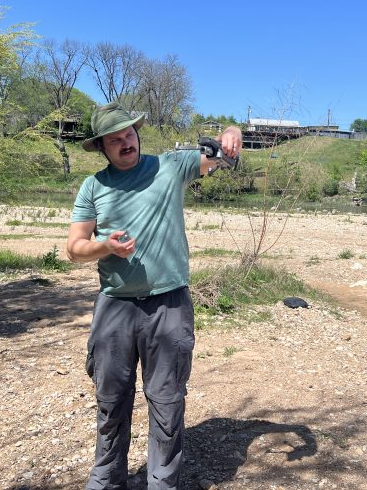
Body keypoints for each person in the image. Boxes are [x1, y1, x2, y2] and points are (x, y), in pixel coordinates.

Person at [67, 102, 241, 490]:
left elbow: (218, 154)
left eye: (129, 134)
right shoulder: (93, 186)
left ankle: (162, 482)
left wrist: (232, 134)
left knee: (166, 402)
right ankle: (107, 479)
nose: (125, 142)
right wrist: (104, 247)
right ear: (101, 147)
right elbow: (74, 248)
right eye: (115, 139)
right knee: (110, 401)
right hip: (114, 305)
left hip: (169, 304)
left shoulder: (170, 166)